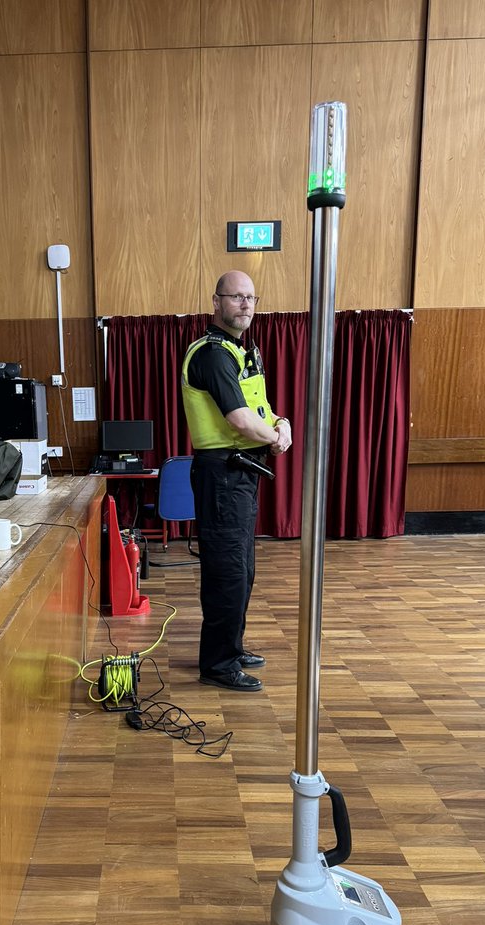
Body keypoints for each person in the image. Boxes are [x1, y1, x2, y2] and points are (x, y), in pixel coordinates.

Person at [181, 271, 292, 692]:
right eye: (236, 297)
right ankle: (218, 663)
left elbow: (259, 408)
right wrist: (277, 440)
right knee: (227, 570)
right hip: (223, 474)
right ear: (216, 301)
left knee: (242, 569)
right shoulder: (211, 354)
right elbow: (239, 418)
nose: (245, 304)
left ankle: (231, 645)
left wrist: (281, 423)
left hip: (242, 473)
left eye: (251, 298)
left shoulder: (240, 351)